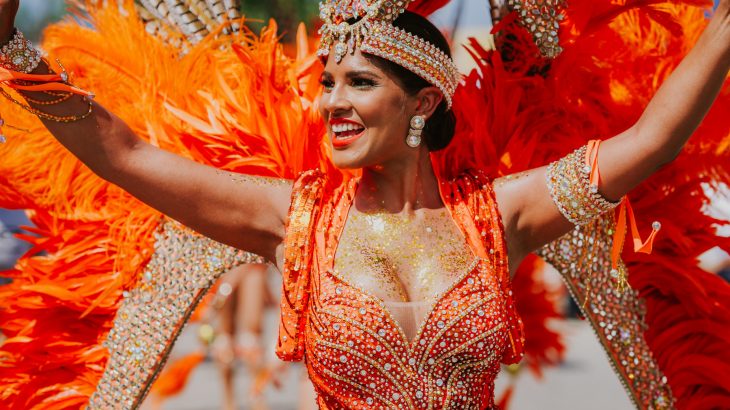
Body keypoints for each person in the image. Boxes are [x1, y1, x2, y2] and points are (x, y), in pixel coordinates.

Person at [0, 0, 728, 408]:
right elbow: (126, 155)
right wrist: (15, 55)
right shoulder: (294, 218)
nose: (332, 104)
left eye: (358, 85)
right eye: (328, 84)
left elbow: (654, 140)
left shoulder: (497, 216)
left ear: (422, 102)